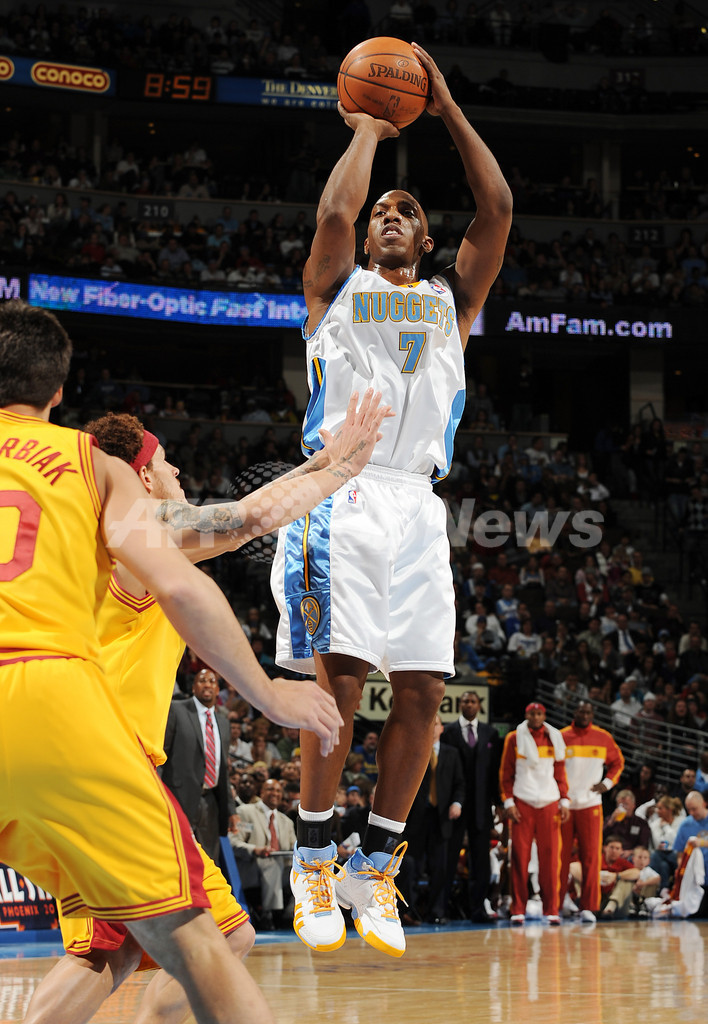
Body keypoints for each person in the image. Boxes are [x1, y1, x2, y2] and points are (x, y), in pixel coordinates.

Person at [0, 301, 345, 1024]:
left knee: (157, 940)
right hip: (73, 735)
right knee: (189, 936)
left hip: (63, 739)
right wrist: (344, 464)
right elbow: (242, 525)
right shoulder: (100, 481)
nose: (177, 469)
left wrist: (328, 463)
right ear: (57, 389)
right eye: (165, 462)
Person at [270, 42, 512, 958]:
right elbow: (337, 209)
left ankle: (373, 863)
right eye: (384, 212)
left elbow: (498, 208)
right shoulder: (335, 289)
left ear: (427, 239)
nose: (391, 215)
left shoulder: (453, 301)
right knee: (340, 681)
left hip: (417, 502)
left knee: (423, 690)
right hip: (343, 490)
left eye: (407, 210)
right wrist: (370, 126)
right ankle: (313, 855)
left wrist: (444, 107)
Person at [499, 702, 569, 925]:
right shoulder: (514, 738)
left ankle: (552, 909)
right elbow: (506, 773)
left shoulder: (554, 737)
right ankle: (518, 908)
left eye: (539, 713)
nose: (536, 717)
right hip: (523, 802)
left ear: (544, 715)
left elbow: (560, 772)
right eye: (532, 713)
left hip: (549, 802)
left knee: (551, 858)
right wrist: (508, 801)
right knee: (519, 857)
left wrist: (564, 799)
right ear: (526, 714)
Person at [162, 668, 236, 863]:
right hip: (179, 799)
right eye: (202, 680)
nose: (207, 684)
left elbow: (223, 770)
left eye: (212, 681)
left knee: (208, 861)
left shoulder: (223, 723)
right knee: (176, 858)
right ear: (193, 687)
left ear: (218, 689)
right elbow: (161, 755)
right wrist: (158, 794)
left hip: (211, 803)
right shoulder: (176, 710)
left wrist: (231, 810)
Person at [560, 701, 625, 923]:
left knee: (591, 857)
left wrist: (607, 784)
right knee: (560, 857)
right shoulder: (561, 736)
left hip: (591, 804)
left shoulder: (603, 737)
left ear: (593, 714)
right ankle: (556, 904)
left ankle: (589, 906)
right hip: (565, 804)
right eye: (581, 711)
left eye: (588, 712)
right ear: (574, 712)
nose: (584, 715)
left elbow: (618, 763)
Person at [441, 689, 501, 921]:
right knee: (449, 858)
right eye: (465, 701)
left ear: (479, 705)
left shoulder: (490, 733)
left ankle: (477, 910)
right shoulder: (448, 731)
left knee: (480, 861)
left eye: (473, 701)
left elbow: (494, 773)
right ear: (460, 704)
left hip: (482, 807)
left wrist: (498, 804)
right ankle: (442, 909)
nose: (469, 704)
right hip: (453, 806)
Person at [403, 713, 465, 923]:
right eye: (428, 723)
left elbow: (460, 784)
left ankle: (436, 912)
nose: (432, 727)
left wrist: (457, 803)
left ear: (442, 728)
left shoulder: (452, 753)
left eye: (435, 724)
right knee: (412, 867)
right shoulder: (413, 750)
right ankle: (409, 912)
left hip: (442, 818)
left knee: (440, 868)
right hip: (416, 819)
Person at [230, 778, 297, 929]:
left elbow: (294, 848)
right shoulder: (245, 812)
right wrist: (255, 849)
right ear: (261, 792)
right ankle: (270, 915)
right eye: (270, 789)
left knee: (304, 869)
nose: (275, 793)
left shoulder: (286, 821)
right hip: (251, 866)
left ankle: (292, 913)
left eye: (278, 791)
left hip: (282, 868)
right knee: (272, 863)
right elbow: (234, 842)